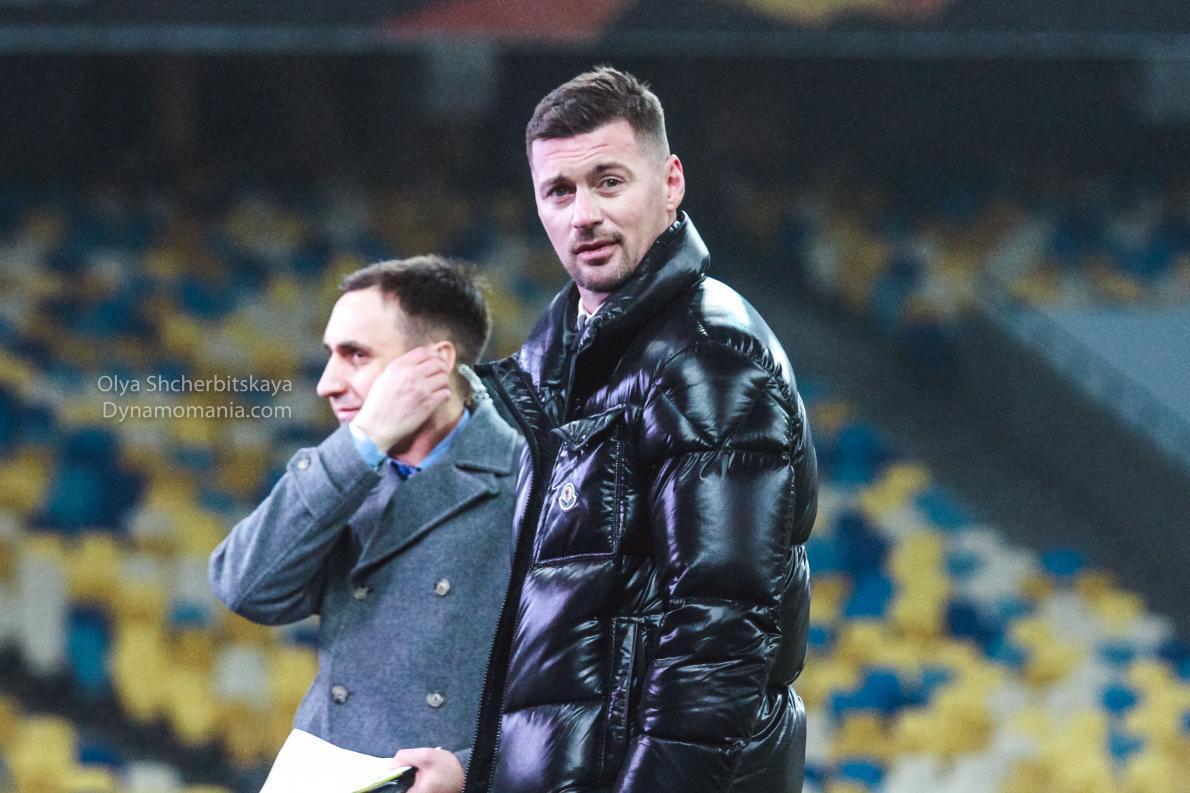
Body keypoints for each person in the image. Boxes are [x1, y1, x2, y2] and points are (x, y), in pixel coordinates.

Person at [415, 67, 817, 793]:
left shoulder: (710, 360)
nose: (584, 215)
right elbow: (553, 648)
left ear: (671, 183)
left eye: (608, 182)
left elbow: (718, 640)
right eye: (559, 191)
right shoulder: (550, 371)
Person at [209, 256, 521, 790]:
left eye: (356, 355)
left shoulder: (531, 477)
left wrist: (476, 771)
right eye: (330, 355)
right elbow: (246, 589)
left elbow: (583, 685)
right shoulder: (344, 473)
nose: (327, 384)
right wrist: (362, 444)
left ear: (436, 363)